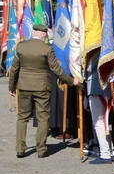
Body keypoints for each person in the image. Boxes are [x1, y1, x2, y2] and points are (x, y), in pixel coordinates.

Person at [8, 24, 74, 158]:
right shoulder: (47, 48)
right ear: (43, 34)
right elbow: (56, 69)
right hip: (42, 87)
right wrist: (71, 81)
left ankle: (20, 148)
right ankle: (41, 149)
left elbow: (14, 68)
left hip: (24, 86)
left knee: (22, 117)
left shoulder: (21, 46)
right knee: (43, 118)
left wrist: (12, 87)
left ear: (33, 32)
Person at [85, 50, 114, 164]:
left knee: (99, 121)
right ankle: (109, 150)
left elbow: (89, 67)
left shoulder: (95, 48)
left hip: (96, 85)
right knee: (105, 121)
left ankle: (105, 153)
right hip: (102, 85)